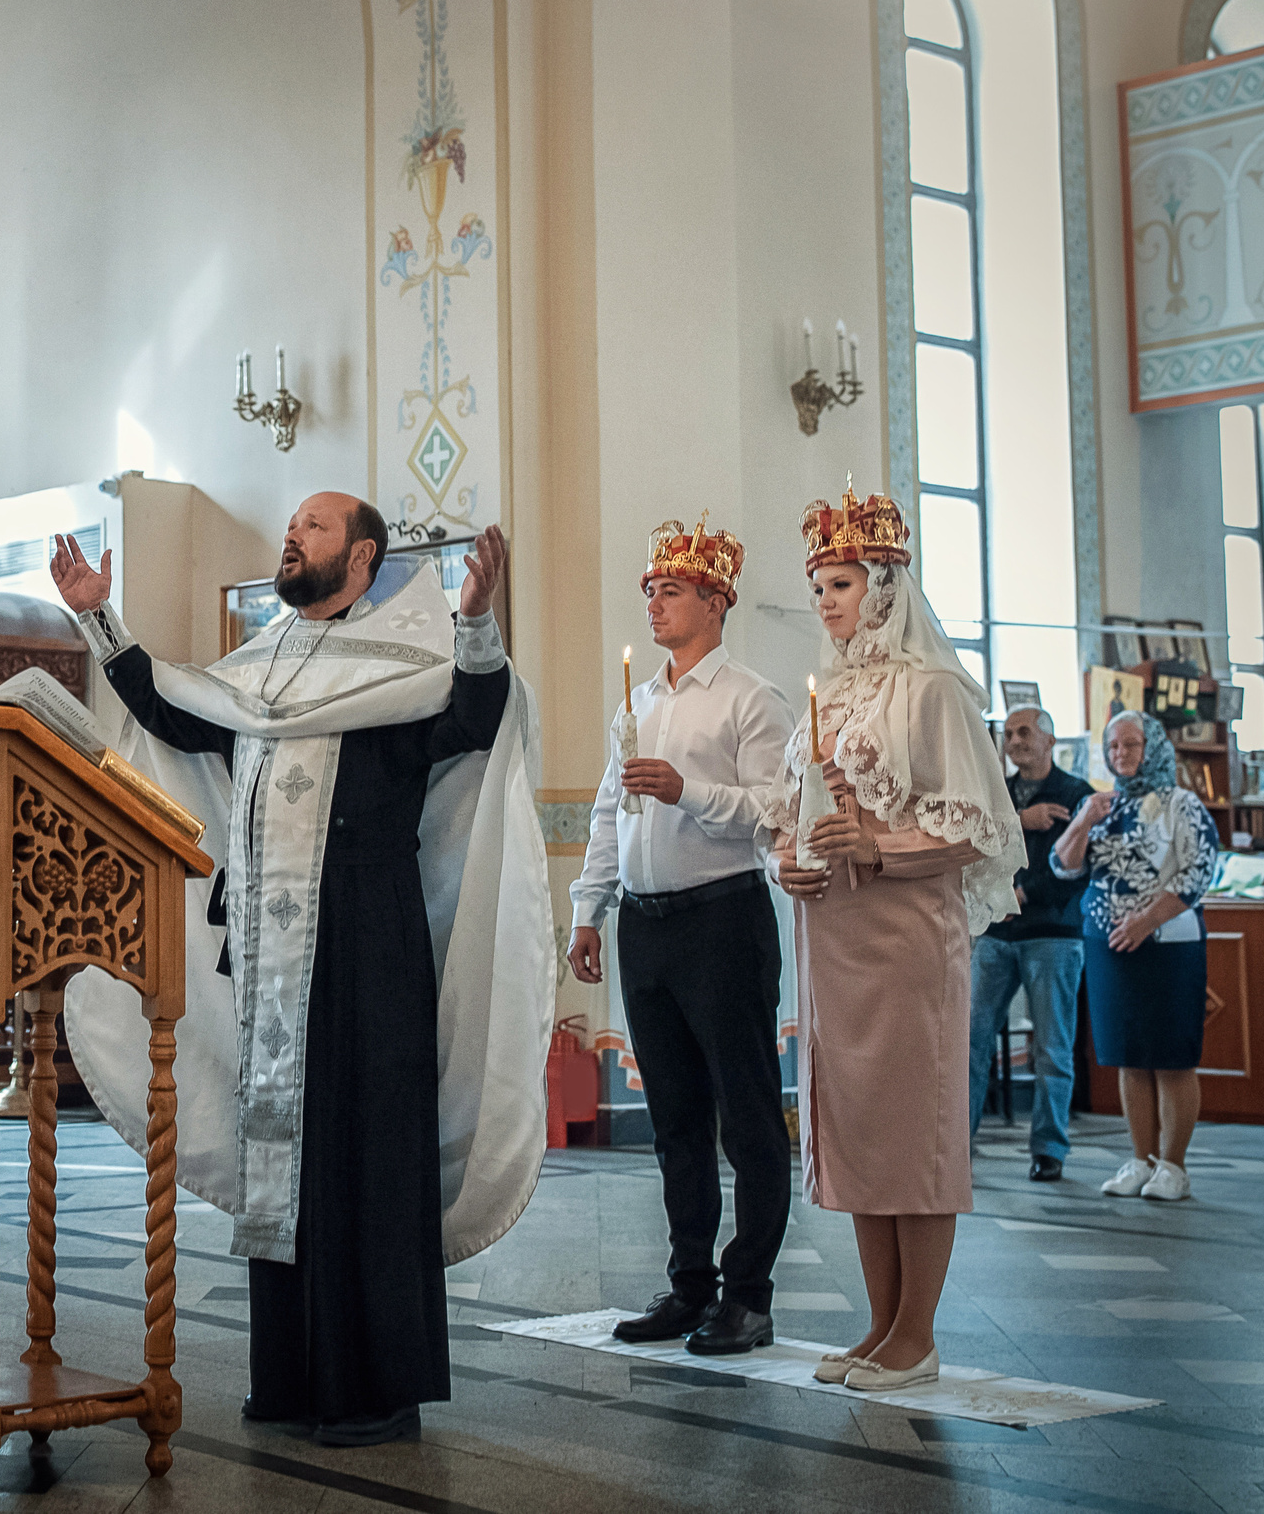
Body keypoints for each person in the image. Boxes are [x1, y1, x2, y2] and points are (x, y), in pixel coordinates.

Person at [53, 496, 549, 1449]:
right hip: (275, 957)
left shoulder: (410, 669)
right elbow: (173, 705)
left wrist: (480, 624)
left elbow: (480, 720)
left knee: (366, 1162)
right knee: (286, 1156)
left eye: (314, 527)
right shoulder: (258, 669)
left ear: (361, 557)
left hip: (371, 947)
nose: (292, 536)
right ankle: (290, 1374)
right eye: (291, 525)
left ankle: (377, 1388)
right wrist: (98, 619)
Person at [765, 490, 1021, 1395]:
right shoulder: (826, 693)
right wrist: (790, 860)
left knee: (913, 1132)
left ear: (885, 586)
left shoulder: (932, 690)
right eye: (818, 586)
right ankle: (880, 1324)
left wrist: (878, 844)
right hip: (834, 940)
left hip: (910, 938)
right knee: (862, 1131)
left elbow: (978, 826)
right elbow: (790, 815)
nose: (826, 600)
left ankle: (920, 1332)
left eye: (840, 582)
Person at [567, 516, 793, 1356]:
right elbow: (605, 809)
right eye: (651, 592)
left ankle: (751, 1295)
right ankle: (689, 1283)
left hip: (723, 918)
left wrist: (689, 789)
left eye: (669, 591)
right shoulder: (641, 699)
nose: (654, 604)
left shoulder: (751, 698)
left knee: (745, 1115)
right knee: (675, 1119)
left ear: (715, 599)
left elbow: (777, 810)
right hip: (646, 925)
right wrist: (589, 908)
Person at [1052, 709, 1220, 1203]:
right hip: (1108, 945)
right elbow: (1062, 866)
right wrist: (1083, 819)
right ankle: (1140, 1159)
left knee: (1170, 1057)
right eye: (1113, 747)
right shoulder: (1099, 804)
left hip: (1168, 944)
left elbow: (1197, 873)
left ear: (1153, 748)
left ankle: (1174, 1166)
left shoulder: (1181, 804)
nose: (1120, 754)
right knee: (1128, 1057)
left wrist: (1146, 920)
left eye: (1130, 744)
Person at [966, 706, 1094, 1181]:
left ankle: (1048, 1149)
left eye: (1024, 732)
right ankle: (958, 1145)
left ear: (1049, 741)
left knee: (1053, 1048)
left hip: (1052, 934)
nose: (1015, 740)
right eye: (1009, 733)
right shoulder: (995, 793)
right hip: (997, 934)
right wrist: (1020, 819)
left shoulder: (1075, 794)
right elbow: (976, 839)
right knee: (972, 1041)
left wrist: (1024, 892)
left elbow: (1077, 869)